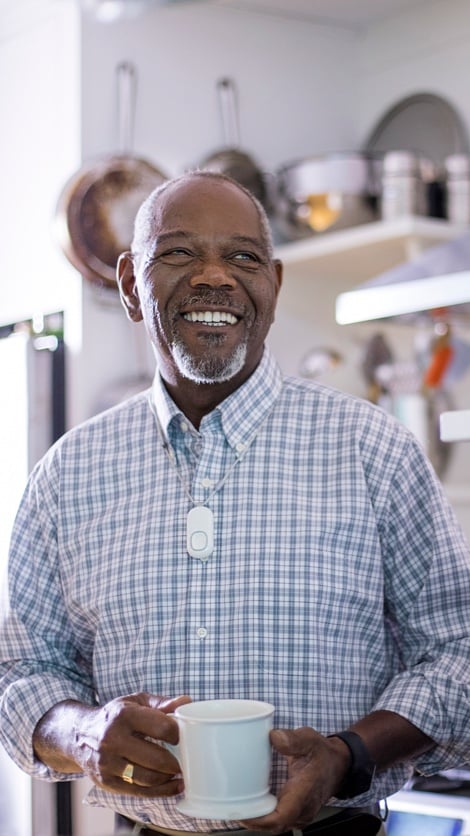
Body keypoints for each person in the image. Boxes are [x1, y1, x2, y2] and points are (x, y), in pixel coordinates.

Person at [0, 171, 469, 836]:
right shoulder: (67, 475)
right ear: (133, 285)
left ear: (273, 285)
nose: (214, 276)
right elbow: (21, 675)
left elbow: (459, 652)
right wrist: (80, 731)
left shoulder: (373, 451)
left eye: (242, 256)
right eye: (180, 253)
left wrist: (348, 755)